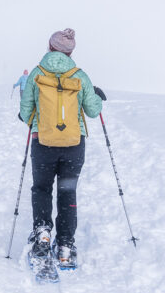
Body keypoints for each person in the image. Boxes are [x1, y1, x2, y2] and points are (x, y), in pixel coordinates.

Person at [18, 28, 102, 269]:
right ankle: (65, 245)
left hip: (43, 143)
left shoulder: (37, 73)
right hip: (74, 146)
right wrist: (96, 96)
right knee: (67, 192)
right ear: (70, 50)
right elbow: (93, 111)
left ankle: (43, 233)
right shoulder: (80, 76)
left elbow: (26, 113)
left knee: (42, 188)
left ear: (49, 46)